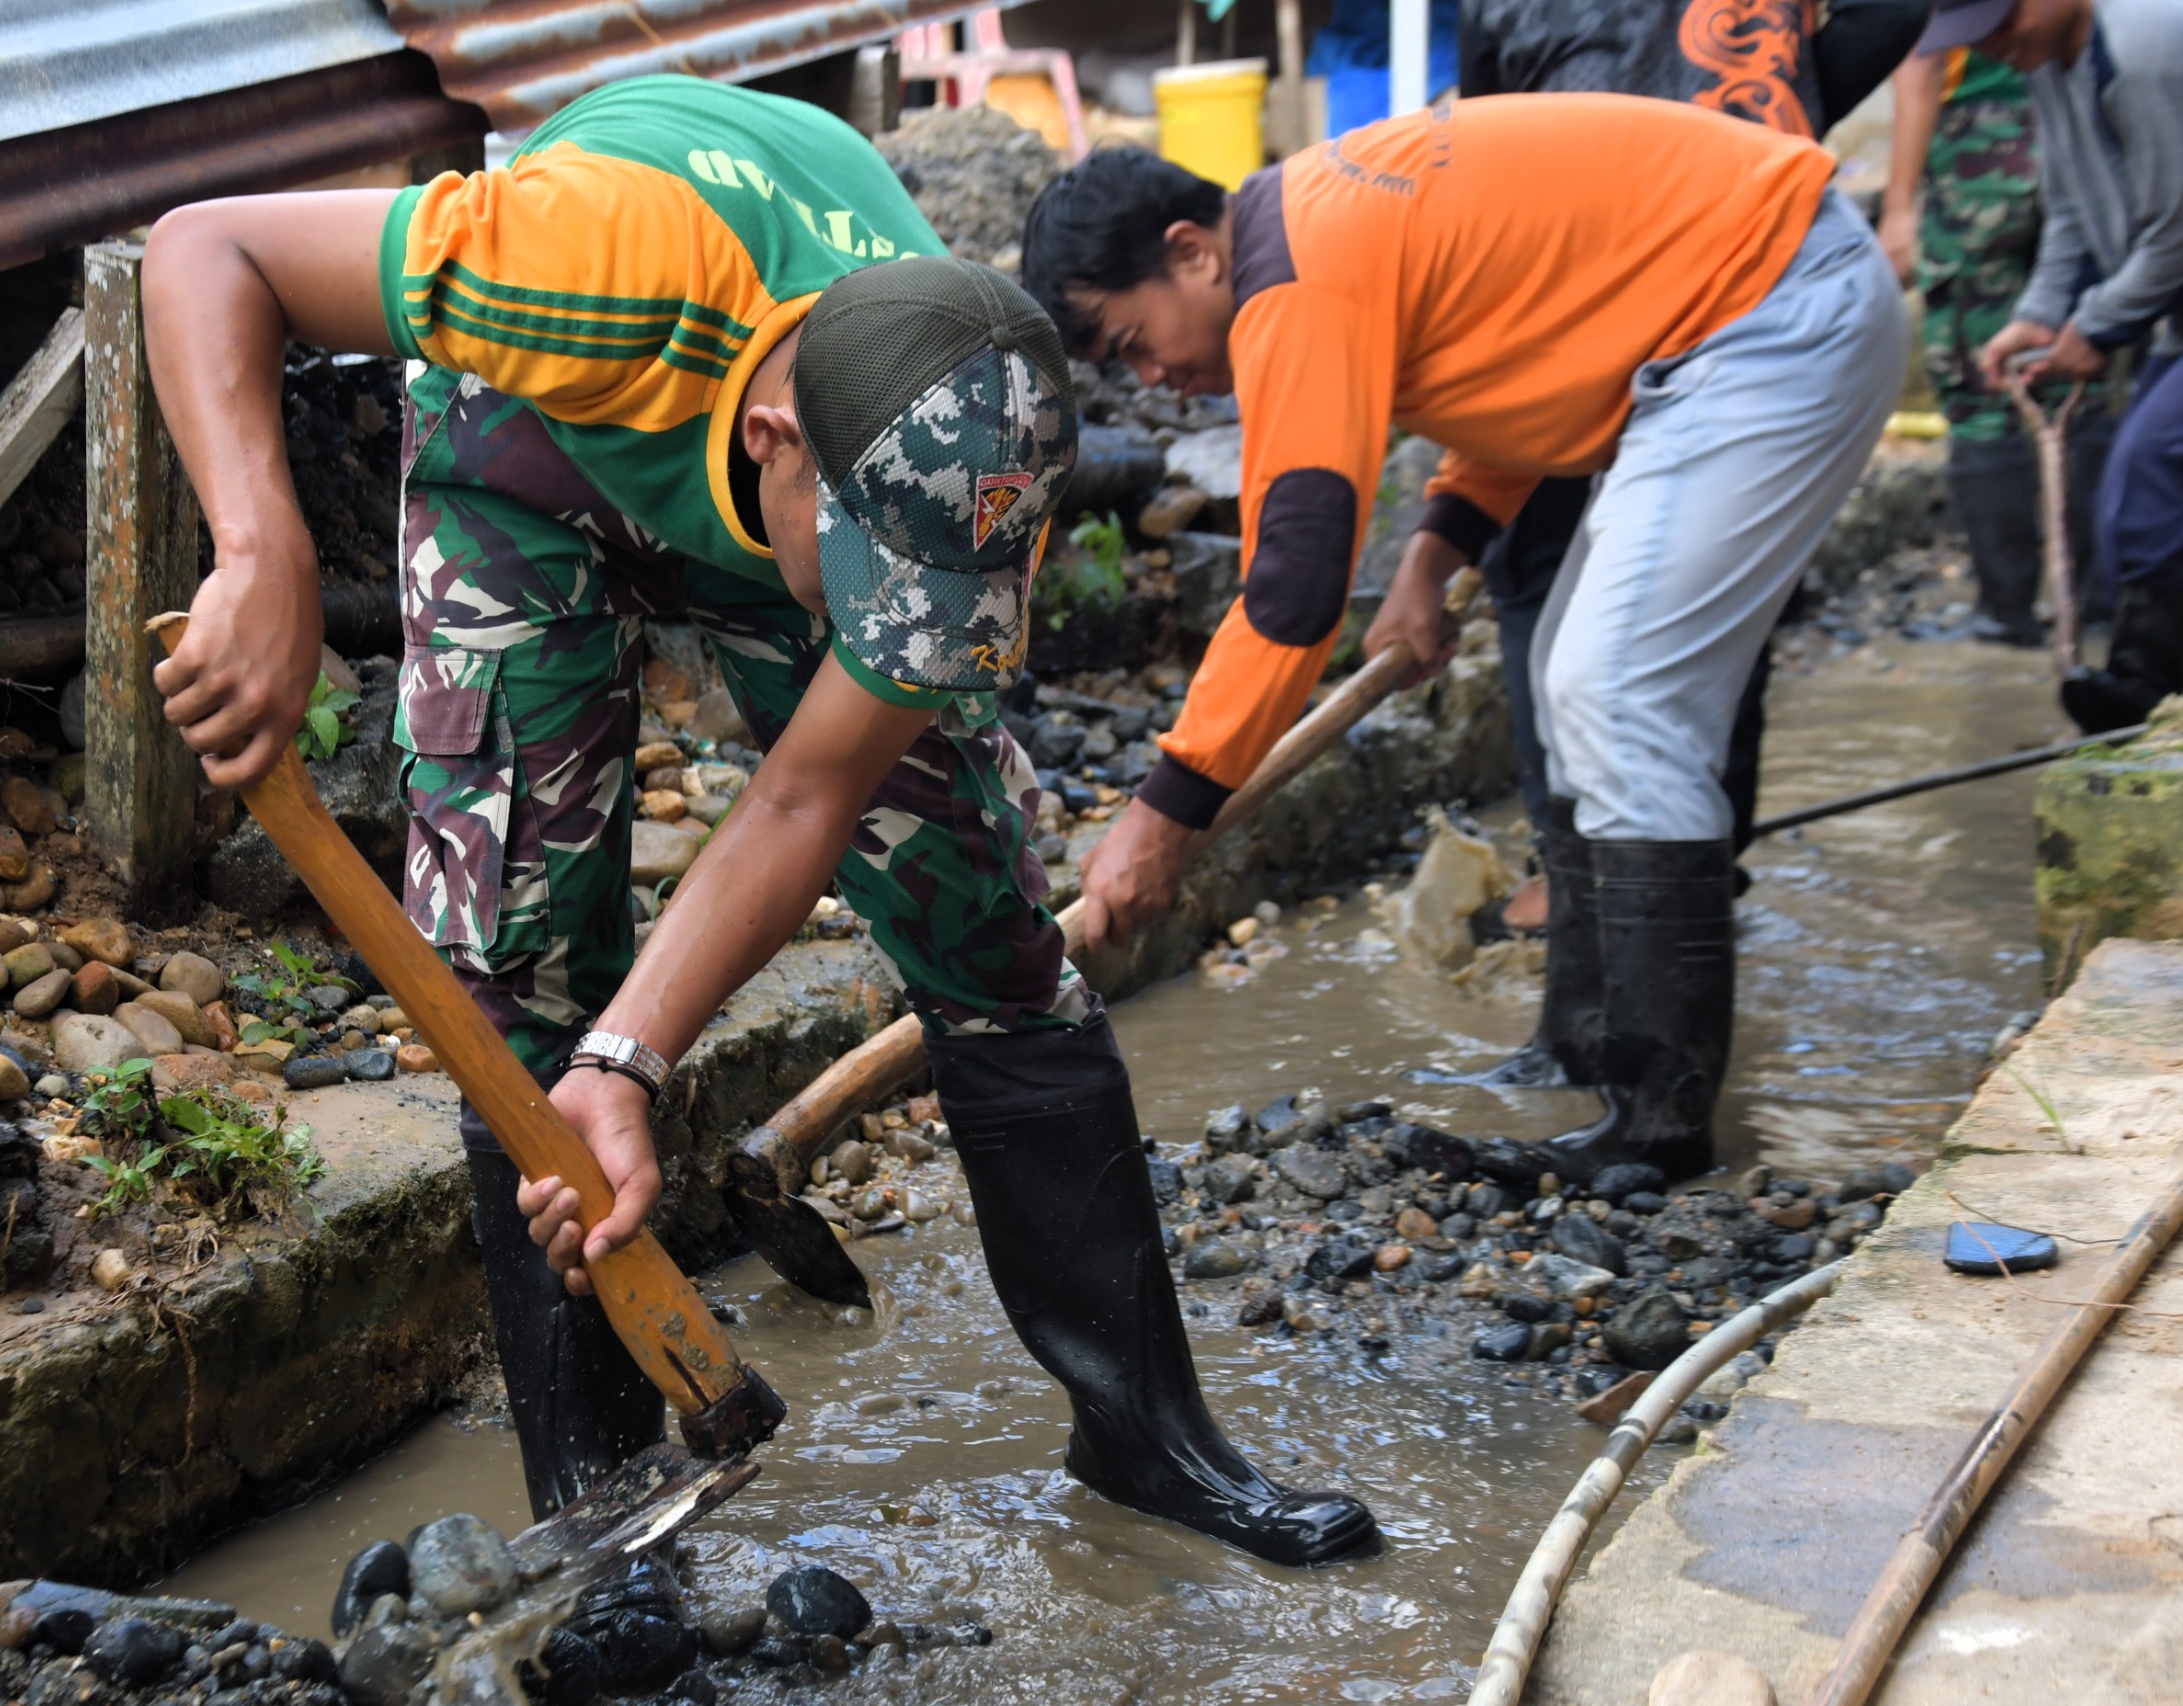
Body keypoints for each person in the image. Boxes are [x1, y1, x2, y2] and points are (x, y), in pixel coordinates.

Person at [137, 76, 1373, 1567]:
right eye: (866, 591)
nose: (879, 628)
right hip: (536, 444)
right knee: (521, 940)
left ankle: (1147, 1434)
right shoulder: (579, 261)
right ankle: (600, 1517)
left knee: (980, 914)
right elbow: (206, 248)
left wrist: (631, 1061)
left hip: (820, 459)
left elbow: (808, 786)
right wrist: (259, 548)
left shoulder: (969, 435)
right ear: (779, 440)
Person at [1025, 94, 1905, 1184]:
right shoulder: (1319, 225)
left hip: (1771, 305)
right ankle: (1580, 1044)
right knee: (1571, 679)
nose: (1152, 379)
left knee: (1615, 693)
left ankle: (1655, 1126)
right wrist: (1435, 553)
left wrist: (1162, 818)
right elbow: (1535, 348)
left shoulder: (1293, 273)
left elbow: (1294, 589)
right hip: (1741, 308)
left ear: (1191, 252)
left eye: (1133, 343)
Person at [1456, 0, 1929, 932]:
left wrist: (1775, 126)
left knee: (1654, 575)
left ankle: (1643, 869)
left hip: (1680, 271)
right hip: (1640, 265)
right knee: (1648, 569)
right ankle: (1644, 856)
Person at [1933, 0, 2183, 731]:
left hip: (2182, 283)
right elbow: (2071, 205)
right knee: (2129, 493)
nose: (1990, 45)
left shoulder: (2147, 45)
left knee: (2157, 460)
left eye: (2000, 21)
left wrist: (2099, 326)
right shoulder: (2048, 56)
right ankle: (2158, 691)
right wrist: (2043, 311)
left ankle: (2150, 689)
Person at [1880, 34, 2114, 648]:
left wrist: (1900, 205)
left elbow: (1920, 63)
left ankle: (2005, 612)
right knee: (2077, 375)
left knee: (1978, 386)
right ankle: (2094, 602)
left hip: (1977, 149)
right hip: (2073, 128)